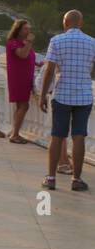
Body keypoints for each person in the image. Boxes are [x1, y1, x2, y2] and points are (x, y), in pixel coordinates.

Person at [39, 10, 95, 192]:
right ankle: (76, 179)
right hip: (84, 96)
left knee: (57, 136)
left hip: (62, 95)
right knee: (79, 136)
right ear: (81, 23)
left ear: (65, 23)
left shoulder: (56, 41)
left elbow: (49, 70)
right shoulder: (92, 42)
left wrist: (43, 94)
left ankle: (51, 178)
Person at [5, 19, 37, 145]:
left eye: (29, 28)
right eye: (25, 28)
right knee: (24, 105)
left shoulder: (23, 42)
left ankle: (15, 131)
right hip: (18, 78)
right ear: (18, 30)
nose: (28, 30)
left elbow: (29, 57)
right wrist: (29, 42)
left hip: (25, 77)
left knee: (21, 106)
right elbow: (23, 55)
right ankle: (15, 134)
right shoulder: (13, 43)